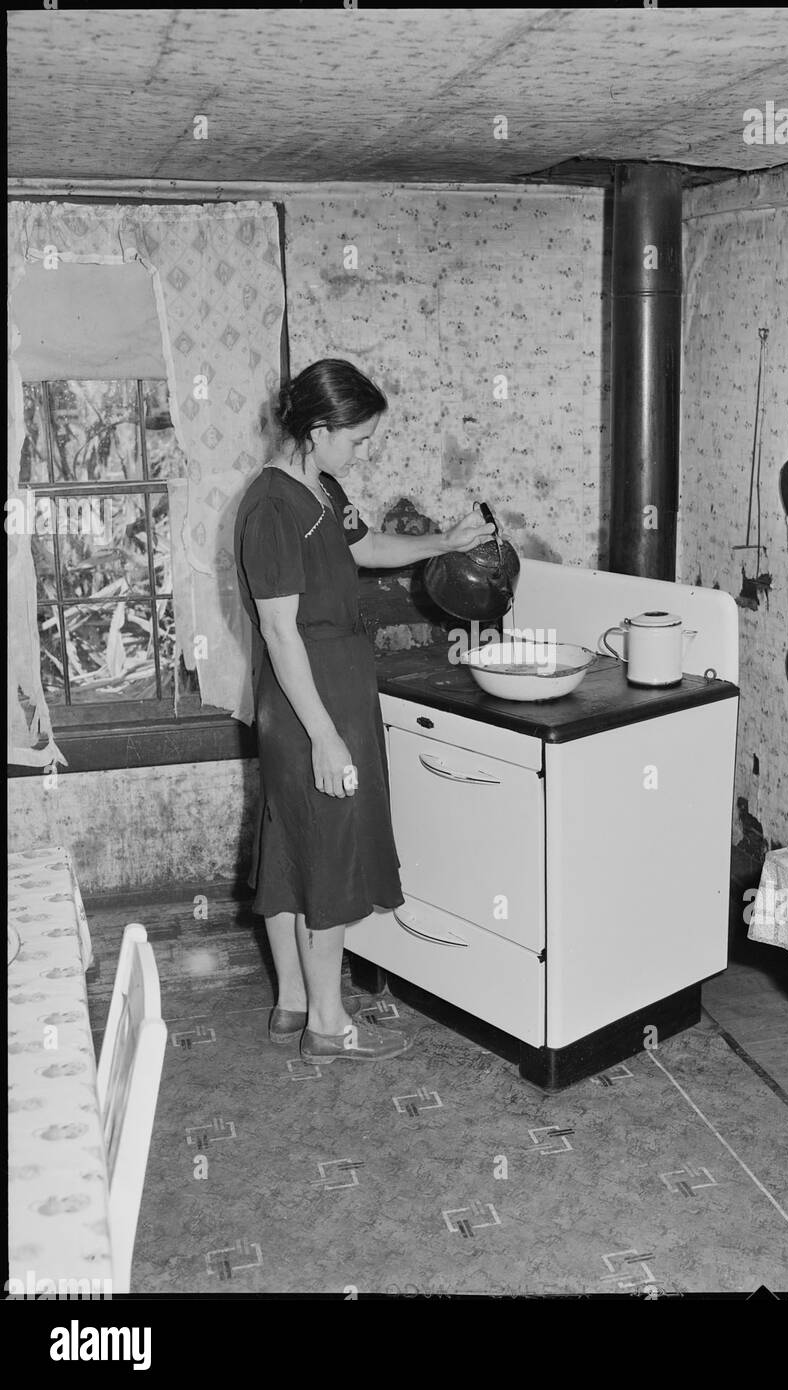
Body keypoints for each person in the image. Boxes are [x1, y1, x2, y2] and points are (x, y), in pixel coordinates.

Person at [234, 360, 492, 1063]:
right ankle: (328, 1024)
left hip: (337, 686)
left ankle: (292, 1000)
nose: (363, 450)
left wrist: (448, 543)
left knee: (290, 847)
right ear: (318, 429)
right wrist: (324, 736)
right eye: (358, 438)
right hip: (307, 701)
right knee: (330, 854)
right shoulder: (269, 508)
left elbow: (367, 546)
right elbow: (281, 632)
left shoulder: (322, 486)